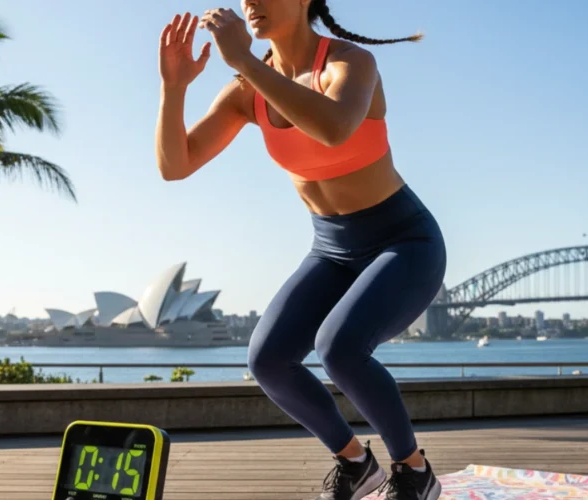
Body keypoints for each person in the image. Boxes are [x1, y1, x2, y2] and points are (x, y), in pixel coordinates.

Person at [156, 1, 446, 499]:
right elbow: (176, 165)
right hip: (332, 248)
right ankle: (356, 464)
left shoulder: (349, 63)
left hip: (405, 240)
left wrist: (245, 61)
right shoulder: (247, 91)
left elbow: (334, 129)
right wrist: (175, 86)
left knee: (341, 347)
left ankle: (414, 470)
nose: (250, 2)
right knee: (267, 358)